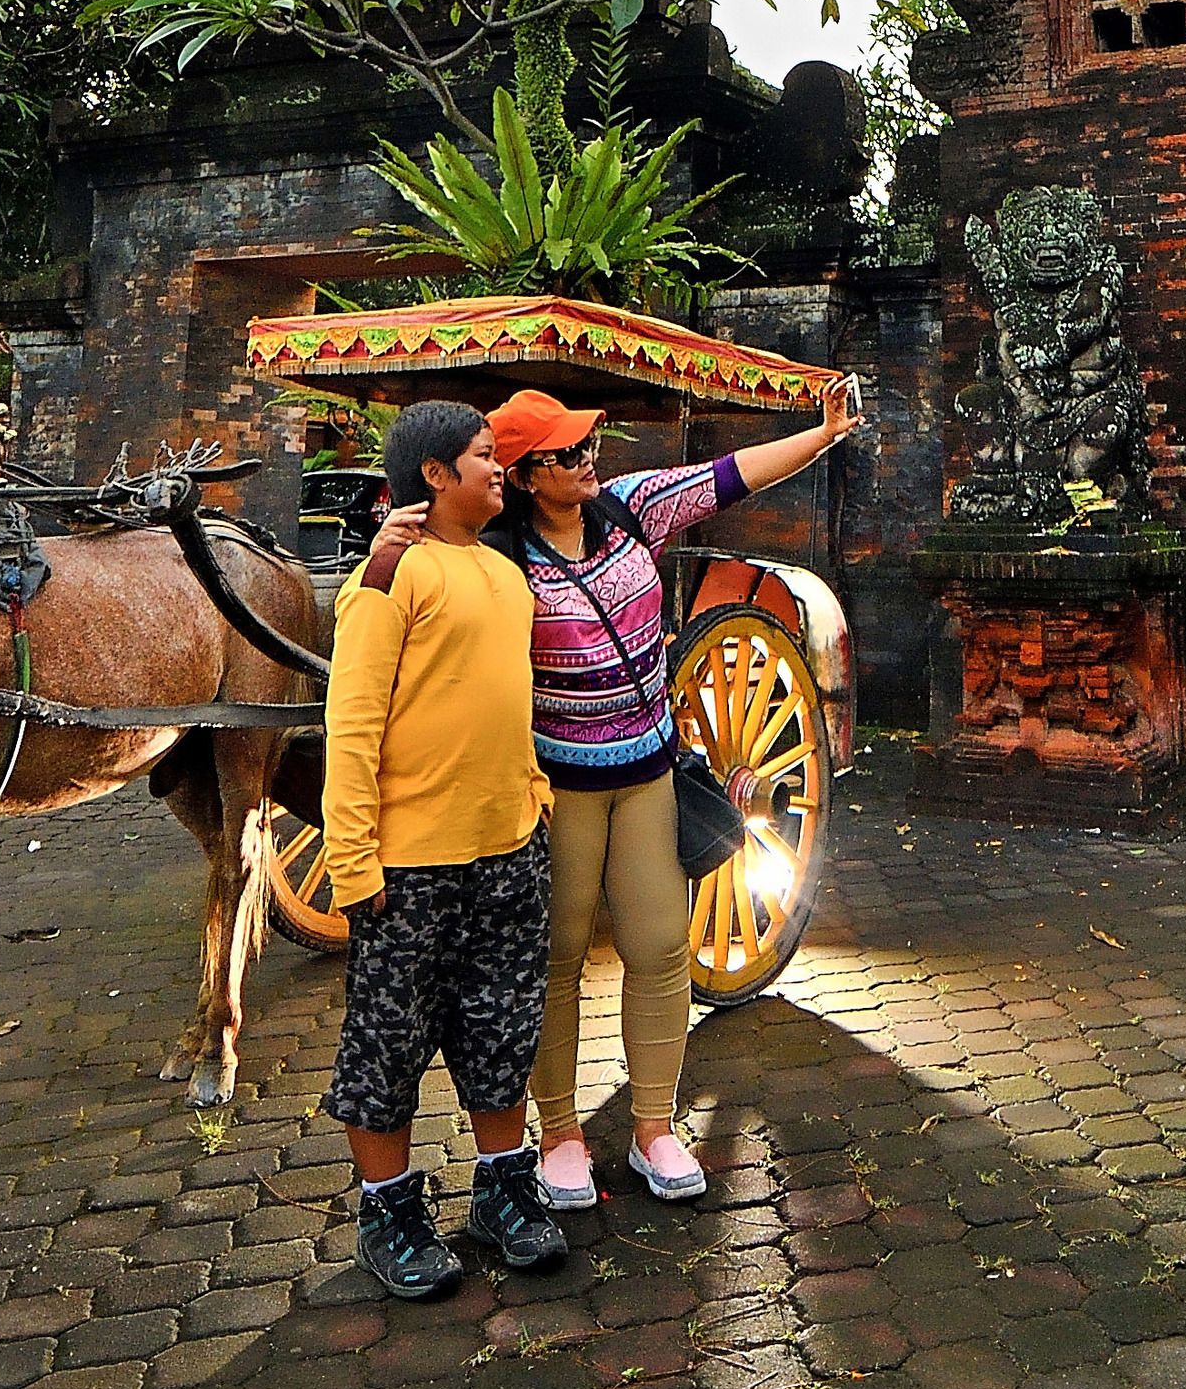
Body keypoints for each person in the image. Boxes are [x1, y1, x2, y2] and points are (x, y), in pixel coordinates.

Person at [363, 377, 862, 1209]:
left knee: (662, 941)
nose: (590, 459)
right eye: (568, 453)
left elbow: (731, 474)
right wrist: (384, 550)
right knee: (552, 955)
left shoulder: (633, 507)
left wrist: (822, 435)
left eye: (590, 444)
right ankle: (558, 1132)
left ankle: (654, 1126)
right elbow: (416, 589)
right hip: (558, 784)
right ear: (524, 476)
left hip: (649, 773)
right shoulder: (500, 556)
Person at [318, 401, 571, 1302]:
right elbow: (350, 726)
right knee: (388, 1045)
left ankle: (502, 1191)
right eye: (480, 457)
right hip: (408, 866)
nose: (499, 468)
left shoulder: (506, 576)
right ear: (433, 475)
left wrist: (534, 803)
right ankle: (387, 1211)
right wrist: (353, 860)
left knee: (503, 1028)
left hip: (508, 848)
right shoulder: (389, 579)